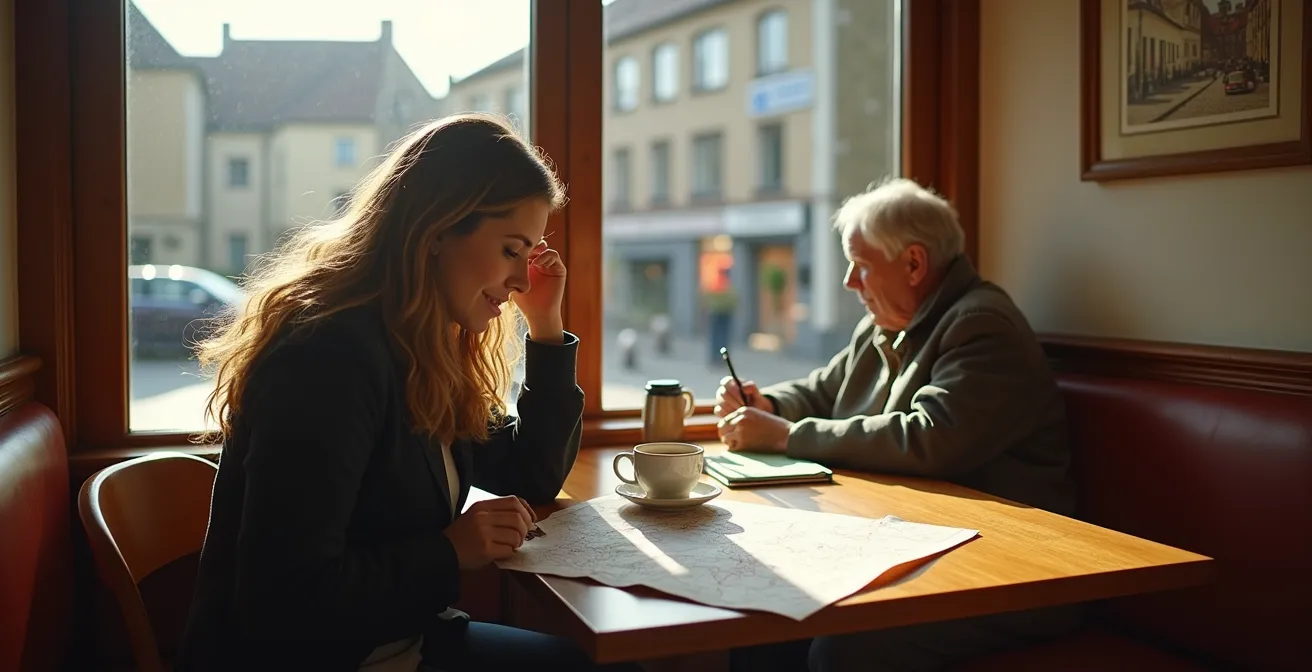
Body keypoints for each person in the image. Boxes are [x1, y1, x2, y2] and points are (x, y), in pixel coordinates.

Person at [176, 114, 625, 672]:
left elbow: (530, 474)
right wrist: (450, 552)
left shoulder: (420, 347)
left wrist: (547, 327)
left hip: (396, 642)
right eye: (512, 250)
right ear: (438, 229)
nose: (523, 281)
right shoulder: (328, 357)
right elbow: (283, 601)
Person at [715, 177, 1080, 671]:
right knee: (767, 608)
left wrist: (784, 435)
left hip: (1011, 567)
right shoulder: (885, 322)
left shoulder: (982, 325)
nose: (849, 281)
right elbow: (824, 391)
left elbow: (932, 437)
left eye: (860, 265)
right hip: (919, 546)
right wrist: (767, 406)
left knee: (843, 647)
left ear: (913, 263)